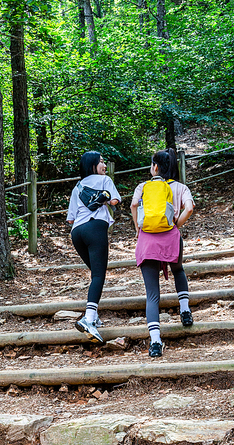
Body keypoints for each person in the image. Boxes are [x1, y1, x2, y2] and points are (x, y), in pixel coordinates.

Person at [130, 149, 194, 358]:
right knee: (178, 270)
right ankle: (184, 310)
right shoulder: (180, 187)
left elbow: (133, 205)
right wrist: (176, 223)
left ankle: (156, 342)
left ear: (155, 167)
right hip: (170, 237)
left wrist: (138, 230)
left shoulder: (144, 187)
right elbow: (190, 208)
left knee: (152, 294)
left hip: (147, 242)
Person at [67, 151, 121, 342]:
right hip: (95, 227)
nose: (104, 165)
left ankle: (95, 317)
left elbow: (71, 217)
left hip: (77, 232)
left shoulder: (77, 186)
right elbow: (114, 201)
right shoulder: (104, 180)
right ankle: (88, 318)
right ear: (92, 165)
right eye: (101, 162)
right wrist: (104, 199)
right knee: (99, 275)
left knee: (94, 272)